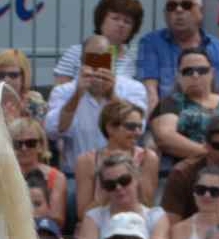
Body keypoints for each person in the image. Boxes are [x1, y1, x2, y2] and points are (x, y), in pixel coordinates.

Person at [44, 34, 147, 178]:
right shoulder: (64, 91)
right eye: (92, 60)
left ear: (112, 61)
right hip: (76, 175)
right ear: (82, 61)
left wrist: (111, 95)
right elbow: (53, 130)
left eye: (103, 60)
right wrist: (77, 95)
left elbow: (137, 127)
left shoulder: (133, 88)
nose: (97, 67)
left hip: (122, 174)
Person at [136, 0, 219, 113]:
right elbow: (150, 94)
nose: (179, 10)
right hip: (166, 120)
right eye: (171, 6)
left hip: (213, 122)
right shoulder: (151, 43)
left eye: (186, 5)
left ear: (201, 11)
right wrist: (160, 124)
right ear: (165, 13)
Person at [150, 46, 219, 173]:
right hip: (188, 173)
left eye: (202, 70)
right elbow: (165, 137)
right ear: (179, 76)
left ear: (211, 73)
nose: (195, 75)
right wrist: (213, 154)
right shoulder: (169, 103)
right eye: (188, 71)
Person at [77, 154, 170, 239]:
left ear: (136, 178)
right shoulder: (93, 217)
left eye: (124, 180)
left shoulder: (156, 216)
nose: (118, 187)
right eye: (110, 185)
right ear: (104, 188)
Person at [75, 99, 158, 215]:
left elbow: (147, 203)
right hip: (99, 223)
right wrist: (111, 185)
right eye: (131, 126)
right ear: (110, 128)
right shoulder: (87, 160)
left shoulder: (147, 158)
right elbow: (82, 213)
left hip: (136, 222)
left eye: (140, 127)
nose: (138, 132)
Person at [53, 0, 145, 84]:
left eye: (127, 22)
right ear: (101, 20)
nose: (121, 24)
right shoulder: (75, 53)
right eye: (115, 18)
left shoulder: (134, 60)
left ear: (133, 29)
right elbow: (59, 93)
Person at [8, 118, 66, 227]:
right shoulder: (3, 176)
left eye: (30, 143)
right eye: (17, 144)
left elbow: (57, 218)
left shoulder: (57, 177)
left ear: (40, 145)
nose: (24, 148)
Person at [0, 49, 46, 123]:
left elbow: (39, 133)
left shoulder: (35, 104)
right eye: (0, 75)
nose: (6, 80)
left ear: (23, 77)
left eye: (13, 75)